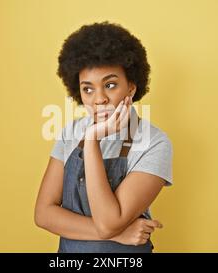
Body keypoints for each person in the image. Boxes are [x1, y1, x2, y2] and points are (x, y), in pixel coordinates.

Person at [35, 21, 173, 253]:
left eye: (110, 85)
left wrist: (91, 142)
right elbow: (44, 214)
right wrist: (122, 234)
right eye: (88, 89)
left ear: (131, 87)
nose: (99, 99)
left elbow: (109, 222)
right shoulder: (71, 133)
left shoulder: (155, 142)